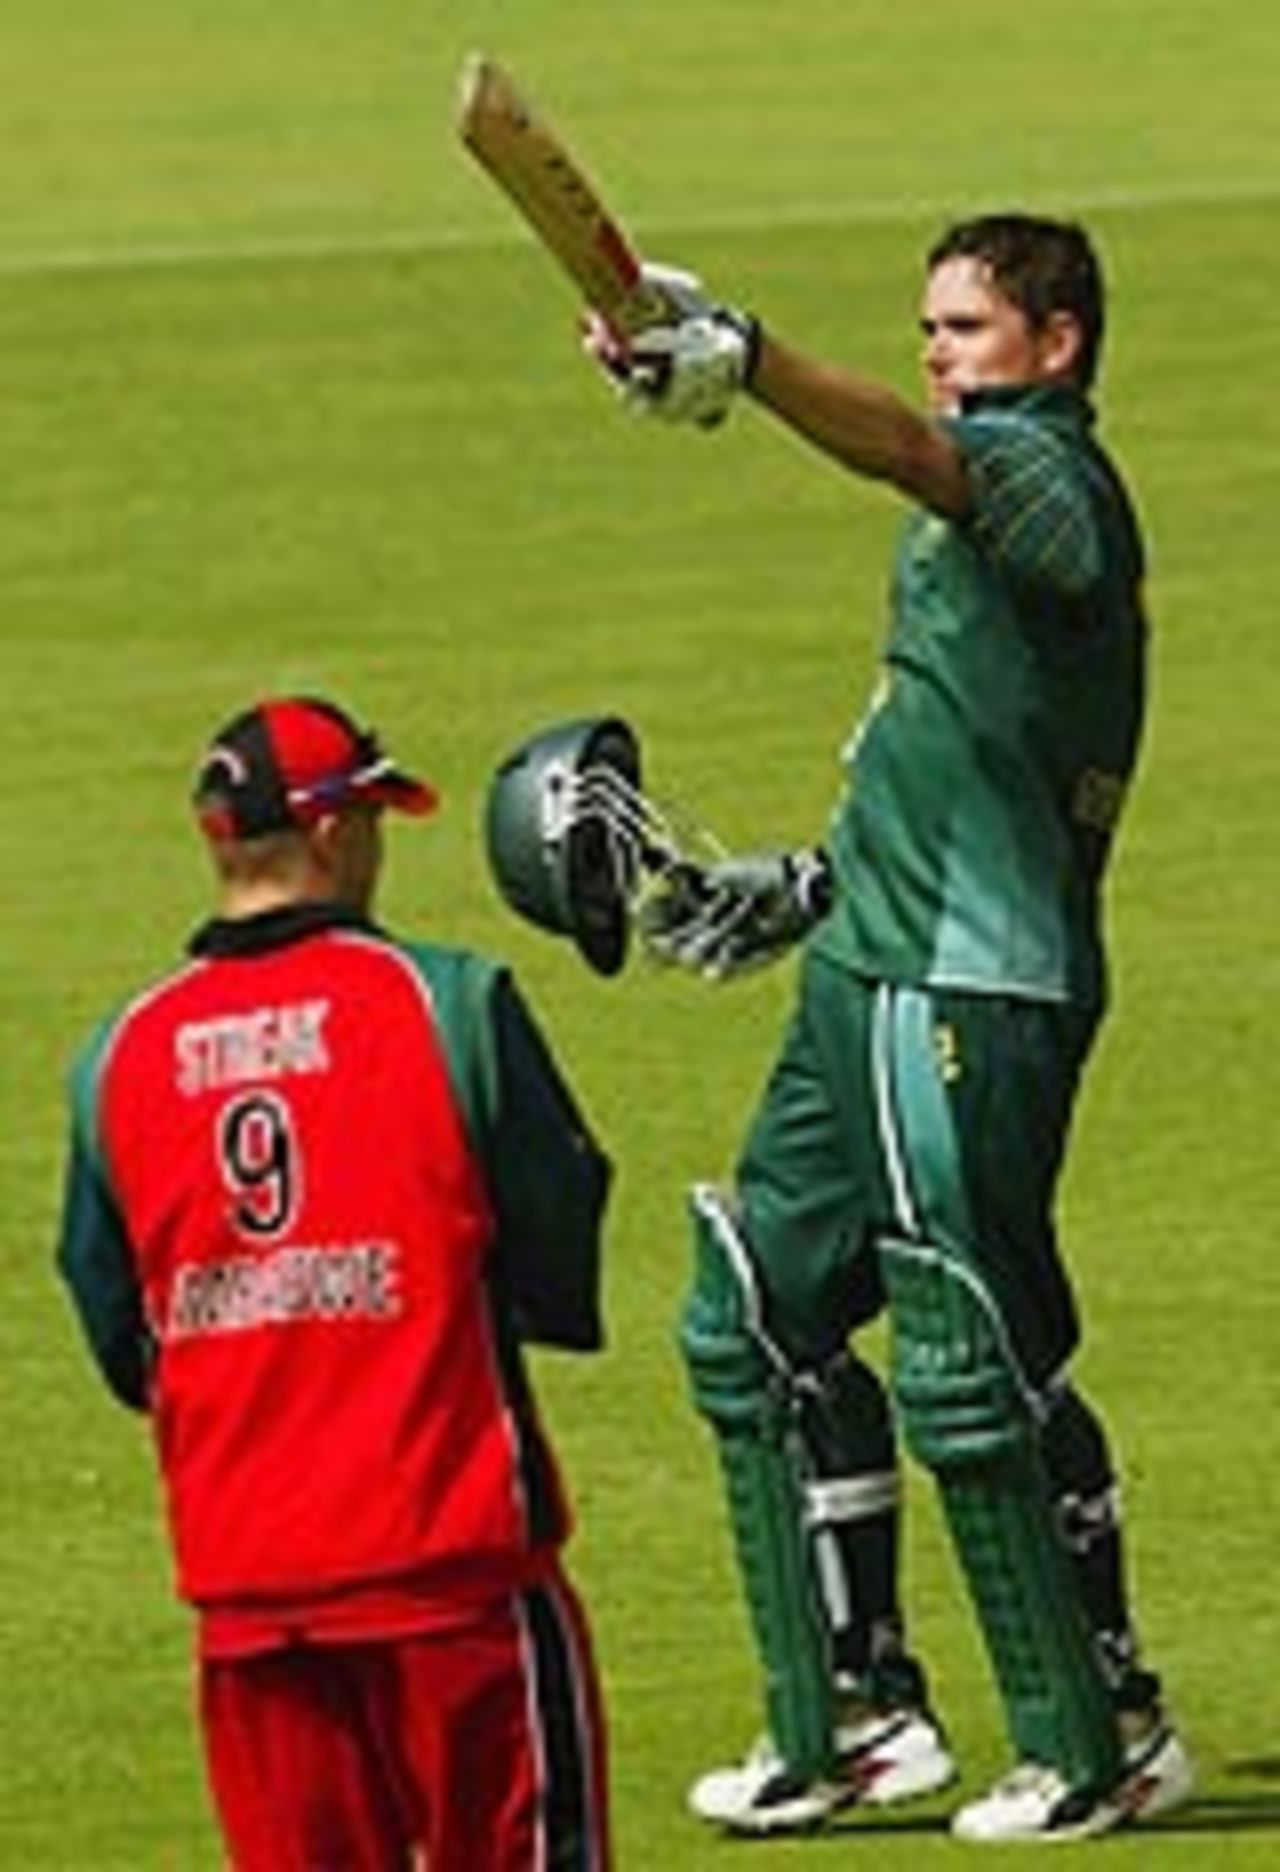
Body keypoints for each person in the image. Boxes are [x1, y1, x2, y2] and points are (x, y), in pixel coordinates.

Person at [582, 214, 1194, 1842]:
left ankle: (1103, 1730)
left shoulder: (1056, 480)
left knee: (969, 1353)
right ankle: (856, 1717)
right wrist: (805, 883)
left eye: (971, 325)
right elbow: (947, 737)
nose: (940, 350)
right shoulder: (977, 515)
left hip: (975, 983)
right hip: (871, 956)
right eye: (926, 325)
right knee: (751, 1319)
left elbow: (921, 454)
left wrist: (753, 359)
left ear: (1057, 343)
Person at [56, 694, 614, 1872]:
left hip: (250, 1601)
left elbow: (117, 1327)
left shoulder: (122, 1055)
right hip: (451, 1584)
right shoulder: (451, 1004)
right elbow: (557, 1244)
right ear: (331, 832)